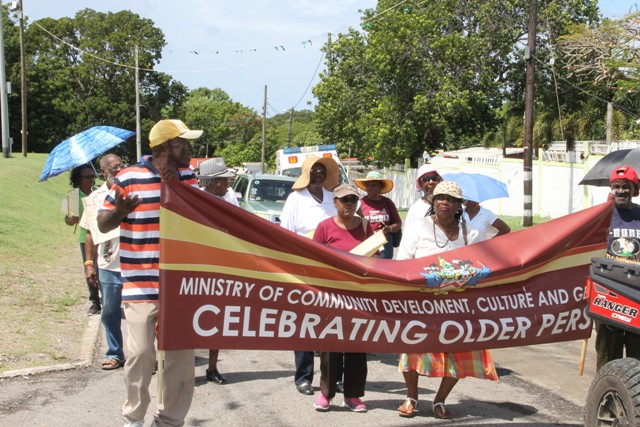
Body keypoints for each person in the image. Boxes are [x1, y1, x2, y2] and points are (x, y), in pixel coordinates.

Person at [97, 119, 203, 427]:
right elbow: (103, 223)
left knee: (181, 360)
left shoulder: (187, 176)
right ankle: (134, 416)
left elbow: (197, 220)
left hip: (179, 285)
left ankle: (169, 420)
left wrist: (175, 187)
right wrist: (120, 211)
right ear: (169, 147)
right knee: (140, 355)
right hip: (139, 282)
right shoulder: (128, 177)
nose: (191, 149)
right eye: (185, 143)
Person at [396, 181, 498, 419]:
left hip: (458, 305)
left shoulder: (469, 232)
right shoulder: (417, 227)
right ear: (433, 202)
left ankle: (440, 401)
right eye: (440, 198)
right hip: (422, 303)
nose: (444, 203)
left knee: (459, 353)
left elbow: (481, 266)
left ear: (459, 205)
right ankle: (411, 397)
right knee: (413, 349)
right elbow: (402, 263)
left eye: (451, 199)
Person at [280, 155, 340, 396]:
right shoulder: (296, 199)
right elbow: (286, 234)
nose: (318, 174)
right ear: (306, 174)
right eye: (314, 170)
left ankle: (332, 377)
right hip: (304, 267)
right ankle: (304, 377)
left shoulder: (332, 199)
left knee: (332, 323)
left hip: (332, 269)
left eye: (322, 171)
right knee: (304, 323)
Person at [311, 184, 373, 412]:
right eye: (344, 200)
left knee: (357, 344)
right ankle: (325, 394)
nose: (349, 204)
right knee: (330, 346)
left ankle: (354, 396)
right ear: (335, 203)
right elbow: (313, 259)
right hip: (331, 294)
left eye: (353, 200)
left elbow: (374, 259)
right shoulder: (324, 227)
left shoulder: (366, 226)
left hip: (359, 295)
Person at [80, 154, 125, 370]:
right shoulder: (95, 198)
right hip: (108, 265)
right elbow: (89, 233)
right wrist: (89, 263)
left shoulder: (134, 190)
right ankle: (114, 353)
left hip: (136, 263)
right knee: (109, 311)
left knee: (142, 313)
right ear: (103, 172)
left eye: (121, 166)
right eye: (114, 168)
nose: (119, 170)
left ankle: (144, 355)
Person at [595, 165, 640, 370]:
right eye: (616, 186)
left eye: (625, 186)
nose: (621, 190)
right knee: (608, 355)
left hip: (636, 292)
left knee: (636, 355)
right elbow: (586, 247)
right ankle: (604, 397)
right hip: (607, 292)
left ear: (634, 189)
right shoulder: (601, 216)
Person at [197, 157, 238, 384]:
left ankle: (212, 367)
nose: (229, 182)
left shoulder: (229, 199)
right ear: (216, 182)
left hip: (221, 265)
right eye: (225, 178)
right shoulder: (195, 201)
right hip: (197, 266)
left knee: (216, 318)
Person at [65, 164, 101, 315]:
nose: (91, 180)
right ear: (78, 179)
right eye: (87, 177)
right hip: (85, 237)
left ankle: (108, 298)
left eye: (93, 176)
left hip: (103, 234)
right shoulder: (73, 195)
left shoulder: (99, 191)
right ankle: (95, 302)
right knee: (90, 267)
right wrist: (71, 219)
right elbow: (68, 219)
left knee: (103, 268)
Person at [354, 171, 402, 259]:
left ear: (380, 186)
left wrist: (389, 228)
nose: (370, 188)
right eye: (368, 185)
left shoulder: (387, 202)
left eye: (374, 185)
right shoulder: (359, 203)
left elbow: (398, 223)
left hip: (384, 242)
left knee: (384, 268)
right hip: (366, 243)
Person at [403, 164, 442, 231]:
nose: (431, 182)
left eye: (434, 178)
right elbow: (408, 236)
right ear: (420, 184)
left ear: (439, 181)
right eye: (426, 179)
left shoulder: (451, 204)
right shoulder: (415, 209)